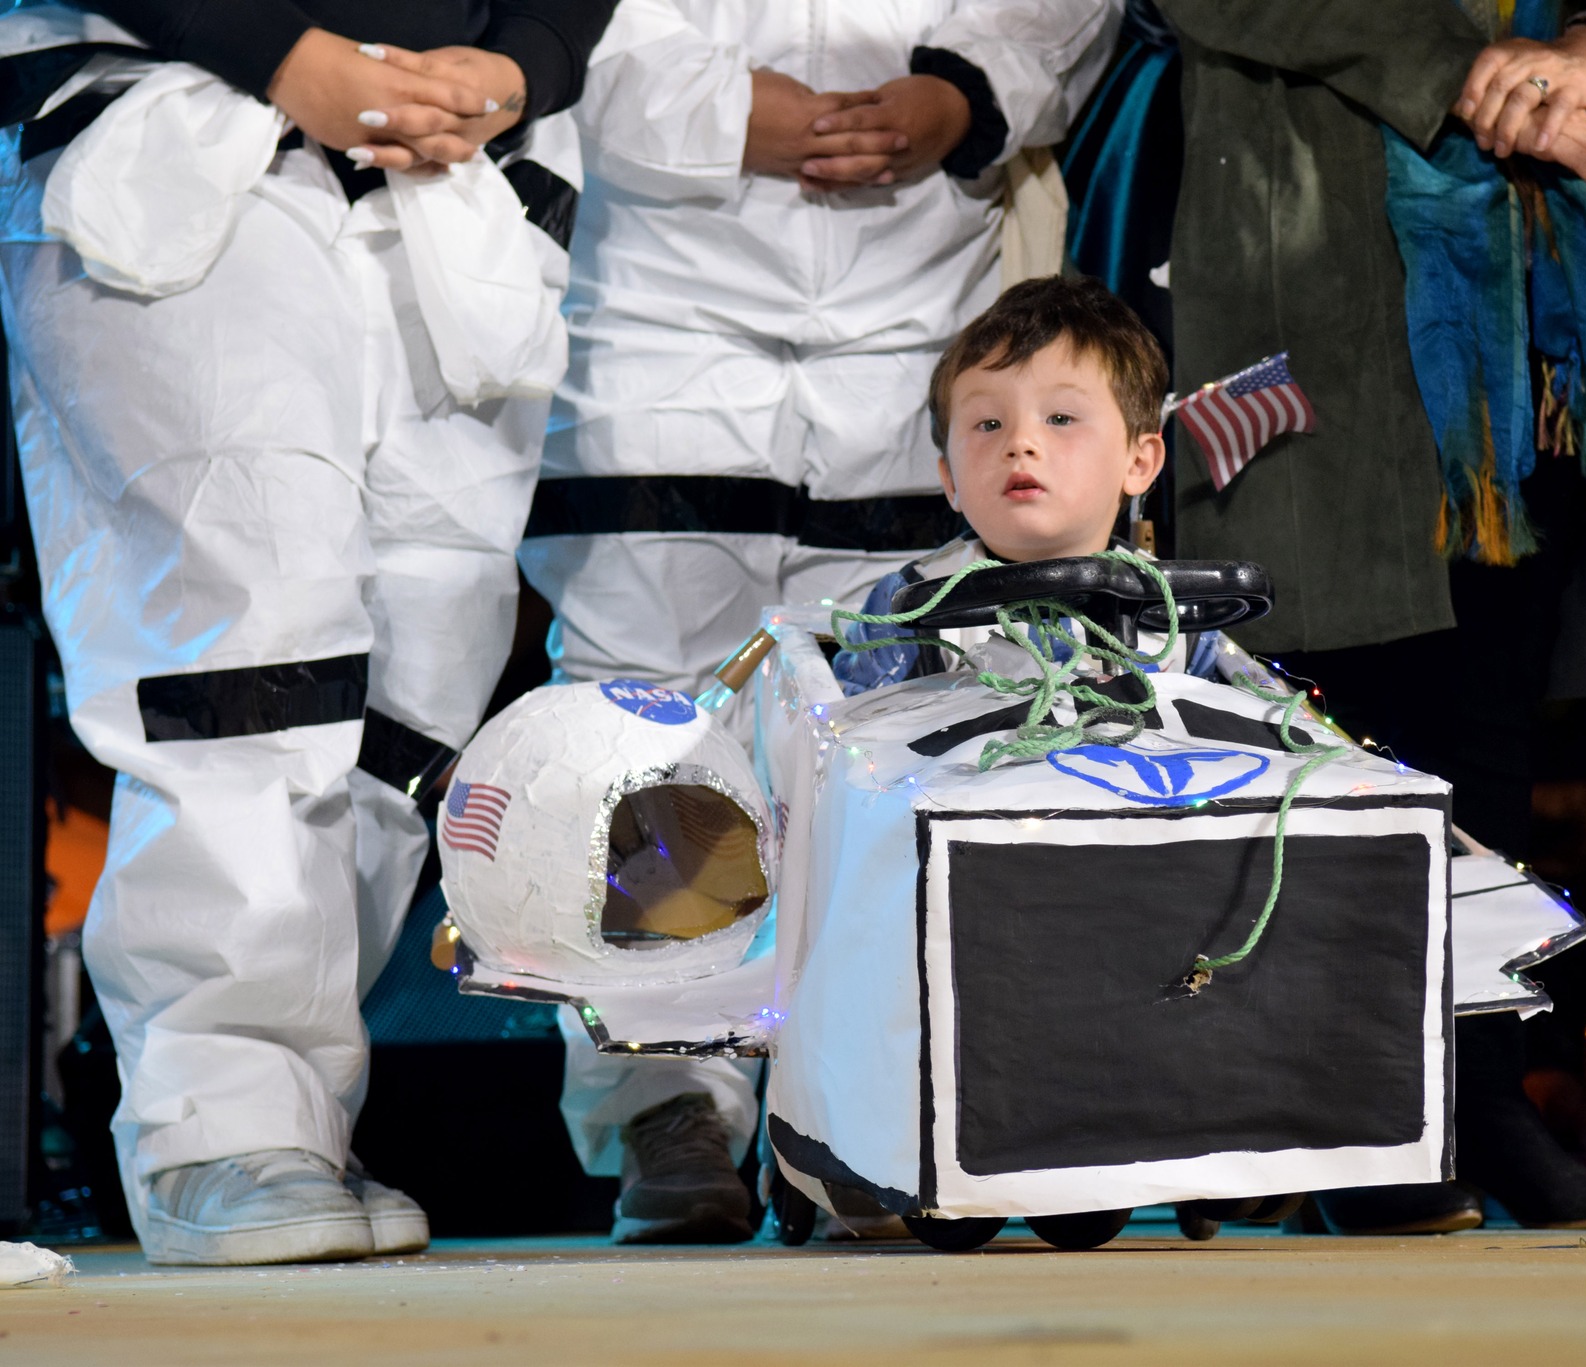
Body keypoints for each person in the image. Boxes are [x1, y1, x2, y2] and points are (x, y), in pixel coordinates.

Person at [0, 1, 616, 1264]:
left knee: (414, 689)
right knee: (245, 656)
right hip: (176, 117)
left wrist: (520, 64)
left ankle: (295, 1116)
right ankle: (216, 1125)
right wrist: (288, 54)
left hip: (446, 178)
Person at [519, 0, 1120, 1244]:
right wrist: (730, 112)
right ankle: (669, 1099)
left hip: (917, 309)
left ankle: (867, 1106)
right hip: (656, 313)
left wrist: (961, 92)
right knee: (653, 746)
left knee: (894, 743)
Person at [1152, 0, 1586, 1232]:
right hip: (1320, 215)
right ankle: (1358, 1113)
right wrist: (1460, 72)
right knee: (1346, 696)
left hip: (1546, 261)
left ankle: (1470, 1096)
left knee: (1487, 712)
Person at [832, 274, 1192, 695]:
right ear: (950, 479)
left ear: (1138, 461)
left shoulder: (1181, 610)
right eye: (989, 424)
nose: (1020, 443)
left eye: (1060, 418)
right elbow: (856, 743)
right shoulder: (913, 607)